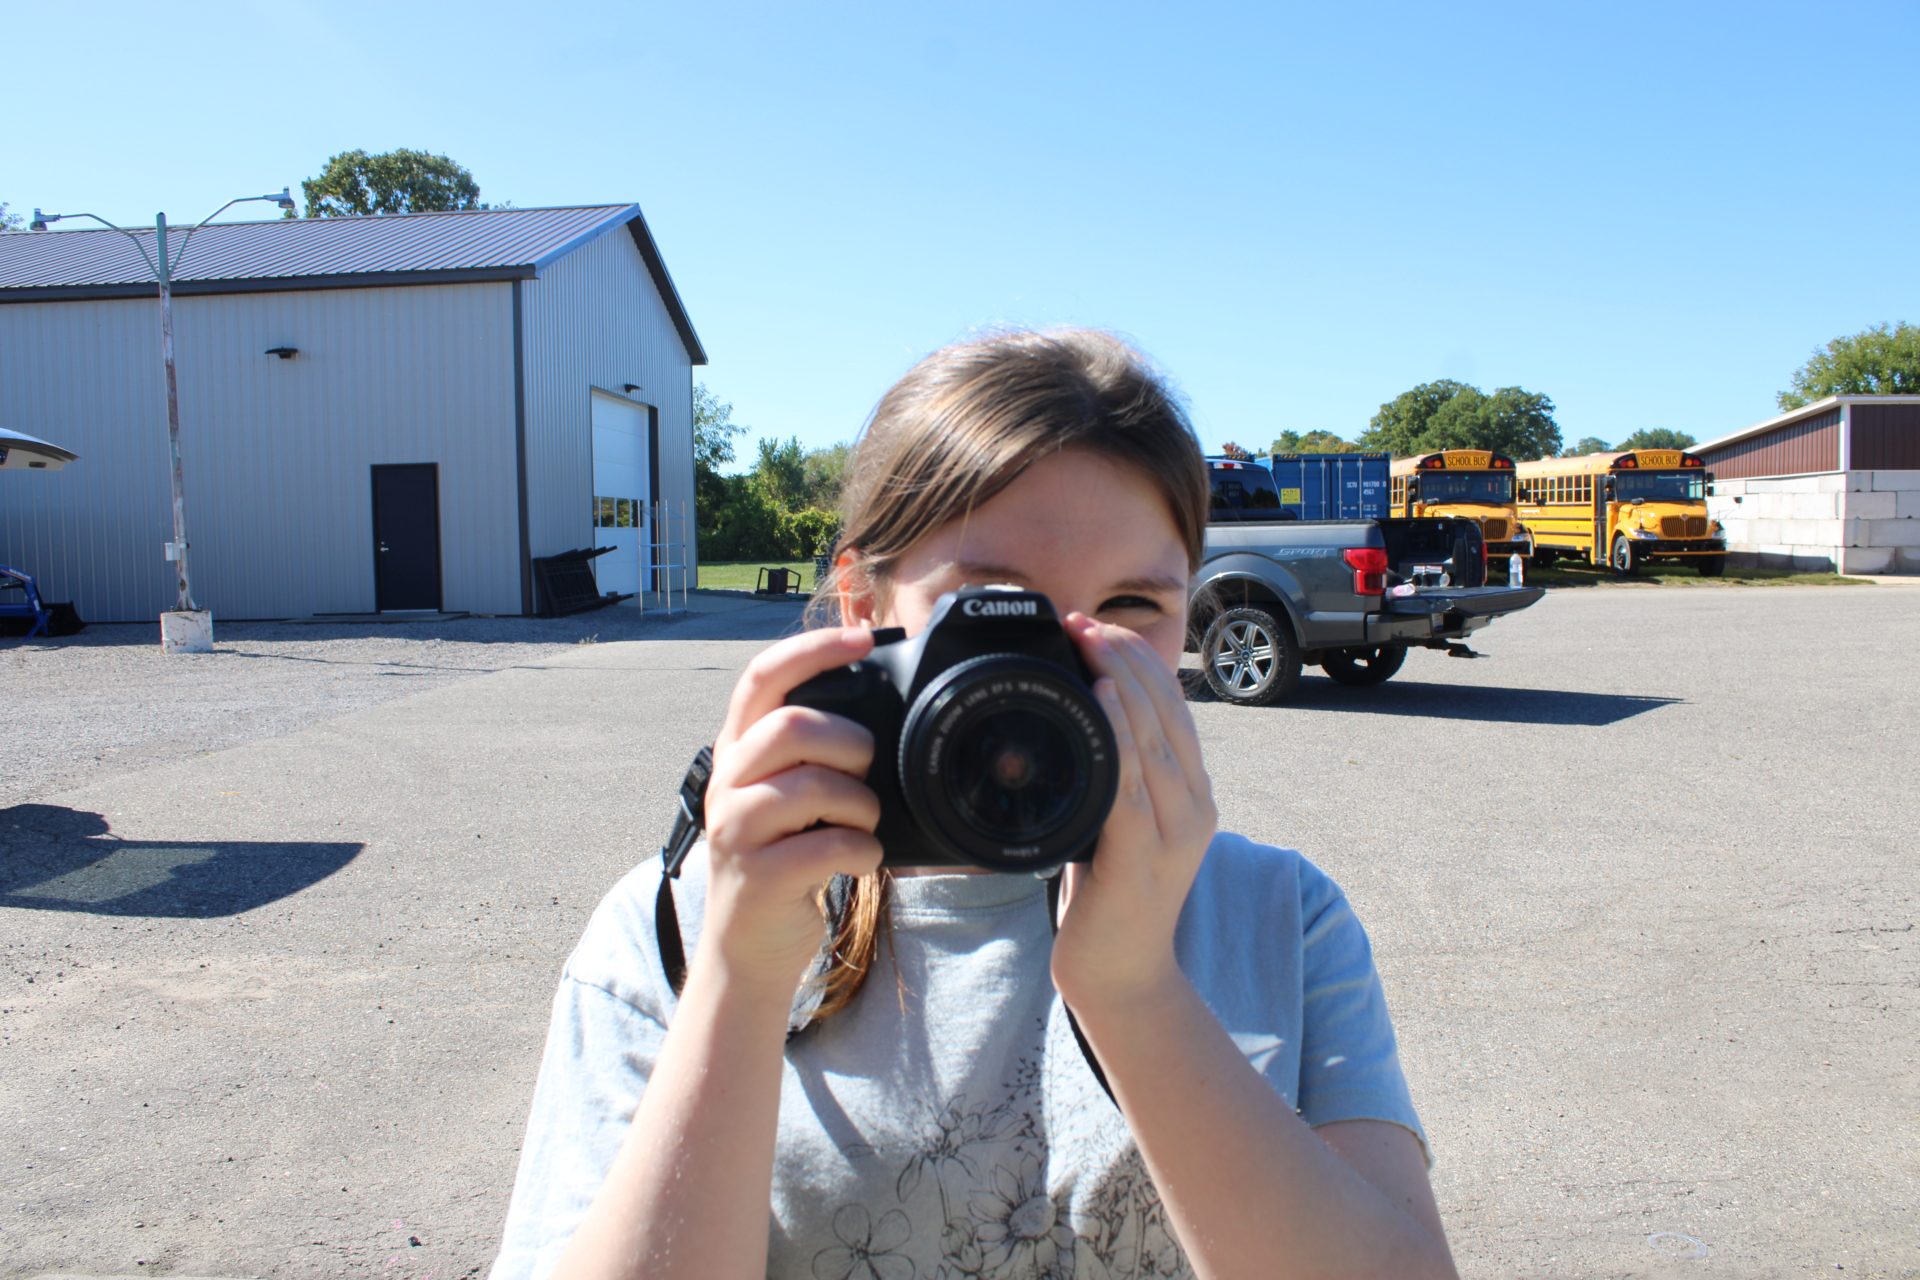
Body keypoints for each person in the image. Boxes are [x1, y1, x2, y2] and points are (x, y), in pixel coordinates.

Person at [491, 329, 1456, 1280]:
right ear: (863, 611)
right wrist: (740, 984)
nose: (1065, 663)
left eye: (1130, 610)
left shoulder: (1279, 921)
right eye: (994, 606)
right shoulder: (676, 936)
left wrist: (1135, 993)